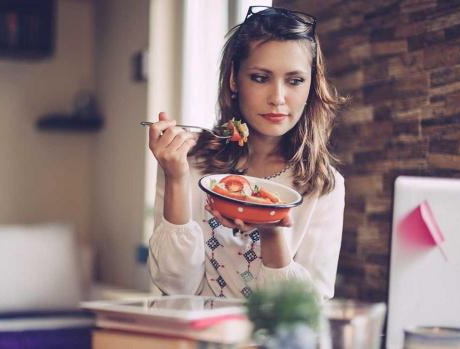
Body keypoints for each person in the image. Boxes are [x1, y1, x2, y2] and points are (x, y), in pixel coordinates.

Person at [146, 6, 346, 300]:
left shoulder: (323, 184)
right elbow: (175, 288)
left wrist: (272, 231)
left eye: (295, 80)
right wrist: (176, 179)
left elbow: (305, 310)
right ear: (233, 80)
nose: (277, 98)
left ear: (311, 87)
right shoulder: (189, 162)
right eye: (260, 78)